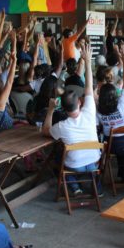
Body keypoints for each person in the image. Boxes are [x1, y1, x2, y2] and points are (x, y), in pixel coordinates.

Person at [43, 43, 101, 196]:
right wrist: (88, 62)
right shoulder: (89, 111)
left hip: (75, 165)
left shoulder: (62, 125)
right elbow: (89, 87)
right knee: (90, 166)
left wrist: (50, 110)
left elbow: (46, 131)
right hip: (95, 162)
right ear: (80, 103)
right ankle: (97, 187)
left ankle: (75, 187)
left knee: (61, 161)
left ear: (63, 107)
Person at [97, 46, 124, 182]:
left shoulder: (98, 111)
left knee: (120, 144)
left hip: (112, 147)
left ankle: (123, 174)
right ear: (115, 96)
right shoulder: (122, 106)